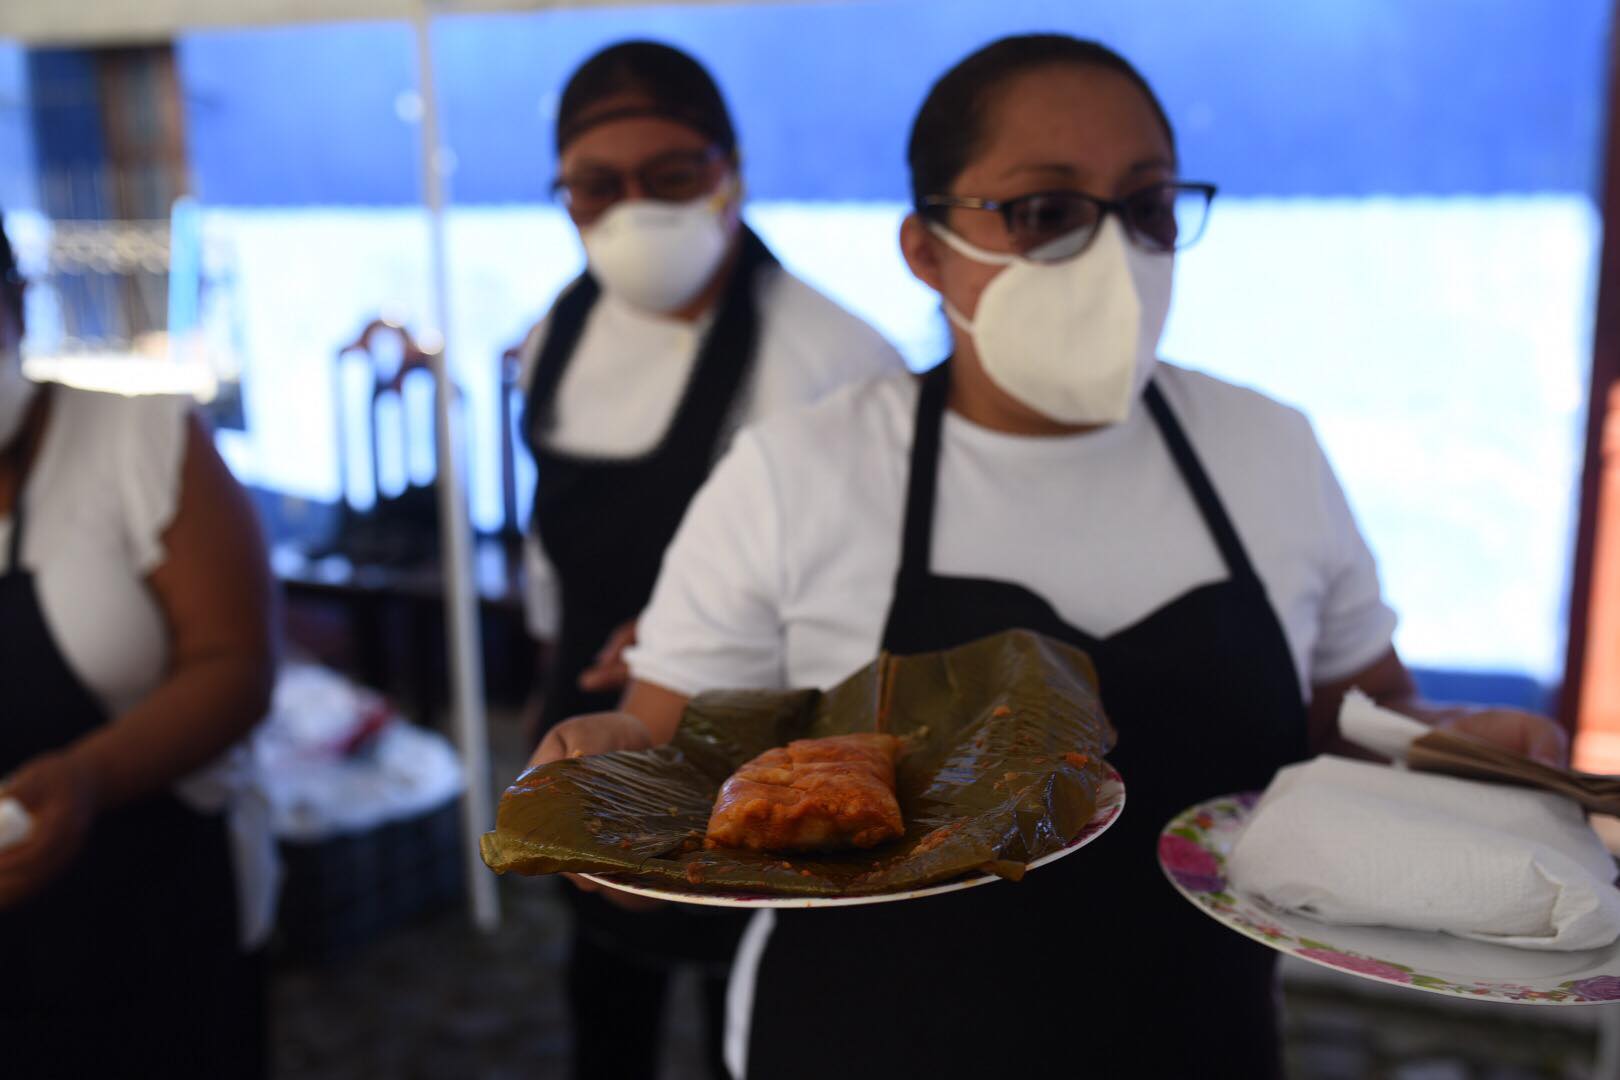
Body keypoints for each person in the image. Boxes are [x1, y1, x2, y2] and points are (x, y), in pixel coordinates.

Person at [529, 35, 1569, 1078]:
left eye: (1149, 206)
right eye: (1045, 212)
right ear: (927, 251)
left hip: (1201, 1042)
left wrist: (1455, 751)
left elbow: (1356, 721)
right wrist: (601, 781)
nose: (1112, 255)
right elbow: (655, 786)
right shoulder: (800, 473)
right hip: (857, 1043)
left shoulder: (1269, 451)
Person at [513, 40, 904, 1080]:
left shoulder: (840, 358)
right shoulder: (557, 334)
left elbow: (882, 586)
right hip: (593, 708)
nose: (633, 208)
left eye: (671, 176)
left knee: (762, 1001)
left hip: (765, 750)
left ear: (730, 174)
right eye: (598, 185)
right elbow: (546, 527)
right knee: (604, 986)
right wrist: (551, 644)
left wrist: (695, 636)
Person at [0, 211, 278, 1077]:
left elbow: (237, 667)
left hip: (158, 898)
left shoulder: (141, 438)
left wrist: (88, 777)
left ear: (16, 303)